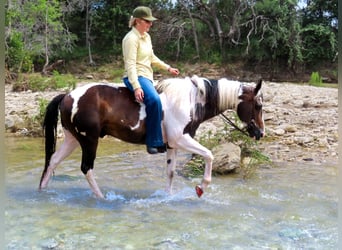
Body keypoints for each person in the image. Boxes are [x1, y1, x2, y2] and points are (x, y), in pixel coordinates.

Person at [122, 6, 180, 154]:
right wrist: (136, 86)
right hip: (135, 76)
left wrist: (168, 68)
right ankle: (152, 142)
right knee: (154, 100)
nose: (150, 24)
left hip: (147, 76)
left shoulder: (146, 37)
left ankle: (163, 137)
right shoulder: (130, 39)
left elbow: (152, 57)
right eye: (147, 21)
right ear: (138, 21)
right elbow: (130, 64)